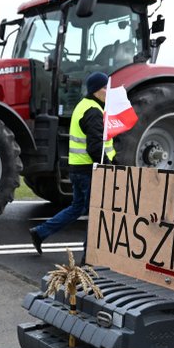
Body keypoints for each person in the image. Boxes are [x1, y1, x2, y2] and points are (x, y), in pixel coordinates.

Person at [29, 71, 115, 255]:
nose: (108, 91)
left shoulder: (83, 106)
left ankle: (40, 232)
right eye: (105, 87)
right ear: (96, 91)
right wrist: (107, 166)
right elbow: (94, 147)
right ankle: (89, 257)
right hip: (88, 170)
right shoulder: (93, 111)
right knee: (95, 213)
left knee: (77, 207)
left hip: (77, 168)